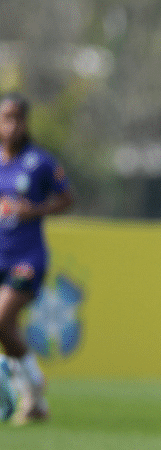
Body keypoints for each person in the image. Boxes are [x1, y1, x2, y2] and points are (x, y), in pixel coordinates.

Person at [0, 92, 74, 424]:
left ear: (26, 123)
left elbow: (66, 198)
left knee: (2, 320)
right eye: (6, 118)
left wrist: (37, 210)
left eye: (18, 118)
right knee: (7, 328)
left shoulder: (40, 162)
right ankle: (34, 398)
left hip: (27, 257)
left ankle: (24, 383)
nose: (12, 125)